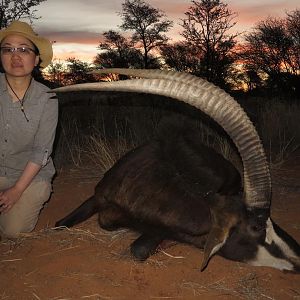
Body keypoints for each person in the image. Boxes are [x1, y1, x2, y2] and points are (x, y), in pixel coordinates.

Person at [0, 20, 58, 238]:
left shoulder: (48, 98)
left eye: (24, 50)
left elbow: (41, 151)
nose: (15, 56)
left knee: (13, 231)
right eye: (8, 50)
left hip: (28, 177)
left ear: (35, 59)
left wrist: (16, 191)